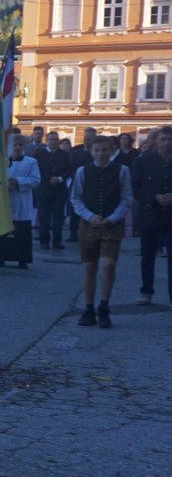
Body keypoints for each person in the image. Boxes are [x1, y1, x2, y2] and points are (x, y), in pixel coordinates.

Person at [71, 135, 134, 327]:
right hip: (88, 225)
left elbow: (127, 198)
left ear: (112, 150)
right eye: (96, 150)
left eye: (104, 150)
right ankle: (89, 308)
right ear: (91, 151)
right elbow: (76, 198)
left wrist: (113, 218)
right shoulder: (82, 171)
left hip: (111, 224)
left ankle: (104, 306)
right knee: (89, 266)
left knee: (108, 264)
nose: (100, 154)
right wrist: (89, 216)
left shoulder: (122, 170)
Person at [131, 125, 172, 305]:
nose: (167, 143)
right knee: (148, 256)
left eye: (170, 140)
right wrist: (154, 197)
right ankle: (146, 291)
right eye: (163, 139)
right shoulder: (143, 161)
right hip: (150, 214)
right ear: (156, 141)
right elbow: (135, 187)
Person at [0, 135, 39, 269]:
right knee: (3, 229)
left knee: (22, 230)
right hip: (5, 199)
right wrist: (4, 184)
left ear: (24, 146)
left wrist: (17, 181)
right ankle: (0, 257)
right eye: (15, 145)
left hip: (22, 200)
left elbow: (36, 179)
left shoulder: (31, 162)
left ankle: (22, 259)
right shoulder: (2, 161)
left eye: (20, 145)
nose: (17, 148)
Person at [33, 130, 70, 251]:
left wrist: (59, 179)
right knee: (43, 216)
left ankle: (57, 241)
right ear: (47, 141)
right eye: (51, 139)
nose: (53, 142)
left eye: (55, 139)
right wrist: (48, 179)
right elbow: (36, 171)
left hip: (59, 190)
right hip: (43, 189)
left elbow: (69, 170)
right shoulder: (39, 154)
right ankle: (44, 240)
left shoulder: (64, 154)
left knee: (58, 216)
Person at [69, 128, 98, 242]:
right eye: (86, 138)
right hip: (78, 183)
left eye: (90, 138)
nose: (87, 140)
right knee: (75, 209)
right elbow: (70, 168)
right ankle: (73, 233)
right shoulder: (75, 152)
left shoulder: (97, 153)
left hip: (93, 186)